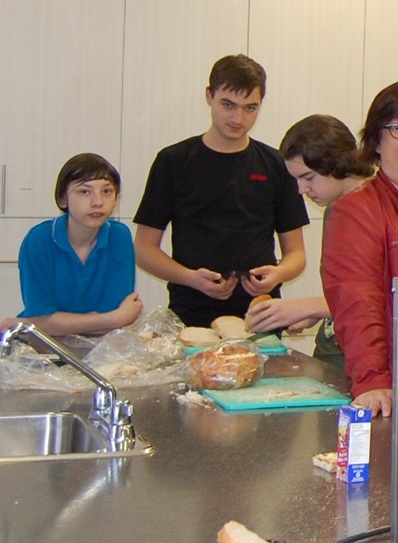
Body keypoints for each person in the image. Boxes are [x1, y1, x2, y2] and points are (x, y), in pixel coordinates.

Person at [132, 54, 309, 327]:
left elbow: (296, 254)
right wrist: (190, 278)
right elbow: (144, 250)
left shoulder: (275, 164)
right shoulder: (174, 161)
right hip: (190, 314)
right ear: (209, 96)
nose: (238, 118)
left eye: (250, 108)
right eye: (228, 105)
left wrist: (278, 274)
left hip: (260, 315)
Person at [322, 81, 398, 417]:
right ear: (376, 141)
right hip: (391, 392)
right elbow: (356, 299)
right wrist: (373, 379)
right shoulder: (357, 210)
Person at [245, 114, 376, 365]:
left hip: (364, 357)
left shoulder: (376, 210)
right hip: (332, 347)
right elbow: (345, 290)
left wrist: (311, 306)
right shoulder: (335, 210)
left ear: (337, 164)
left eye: (308, 178)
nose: (301, 190)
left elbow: (380, 297)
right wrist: (317, 313)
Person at [9, 153, 142, 336]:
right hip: (45, 345)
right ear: (63, 199)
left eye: (107, 191)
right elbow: (42, 321)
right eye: (84, 191)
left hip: (101, 345)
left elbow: (110, 325)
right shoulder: (39, 240)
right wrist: (116, 318)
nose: (98, 202)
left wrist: (37, 322)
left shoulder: (119, 236)